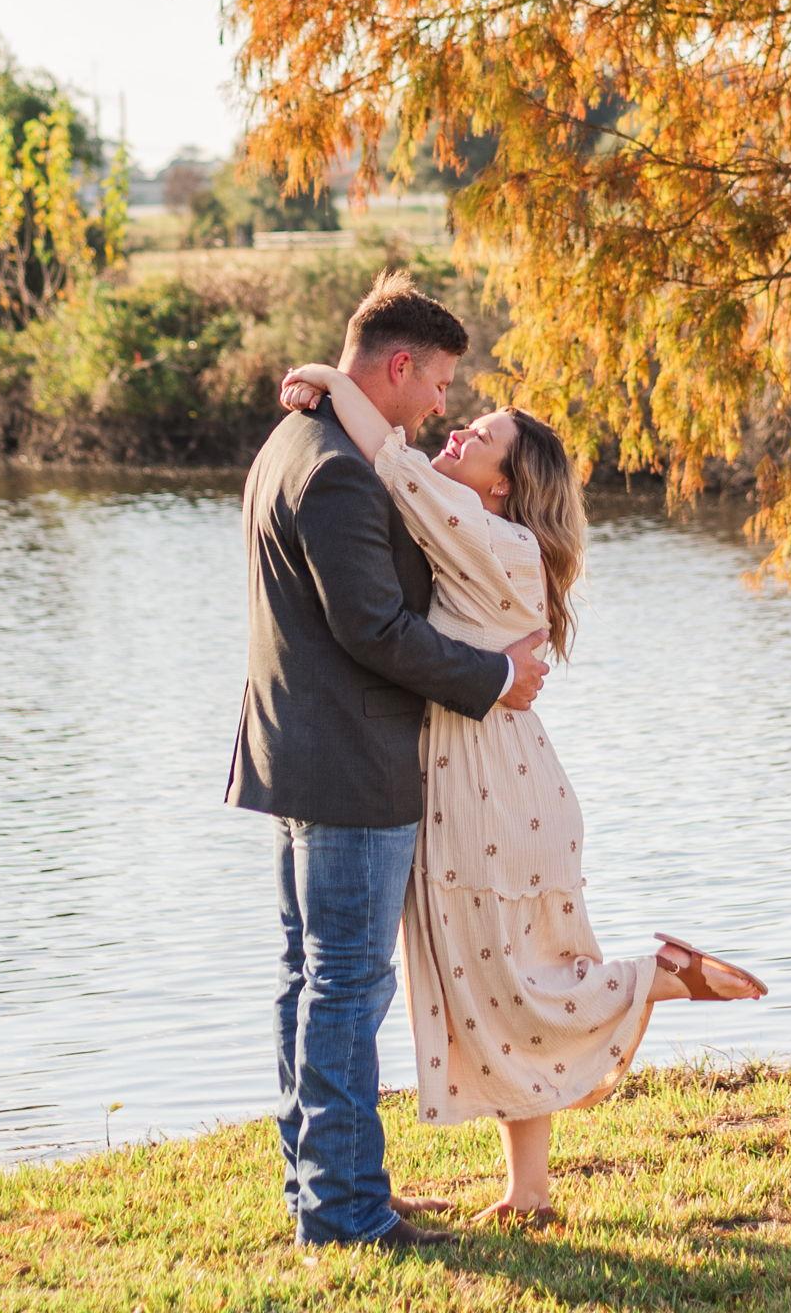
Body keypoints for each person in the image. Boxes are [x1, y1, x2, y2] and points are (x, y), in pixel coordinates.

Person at [278, 358, 767, 1226]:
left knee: (500, 983)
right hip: (512, 778)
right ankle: (530, 1195)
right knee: (506, 978)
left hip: (479, 786)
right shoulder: (503, 538)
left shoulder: (483, 532)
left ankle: (651, 977)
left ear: (502, 486)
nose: (457, 431)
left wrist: (327, 376)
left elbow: (391, 461)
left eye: (481, 437)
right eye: (467, 421)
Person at [226, 270, 551, 1254]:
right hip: (350, 764)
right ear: (398, 365)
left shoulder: (306, 438)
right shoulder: (334, 469)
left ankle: (325, 1187)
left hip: (302, 754)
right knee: (345, 986)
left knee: (311, 978)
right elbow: (373, 628)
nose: (444, 401)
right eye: (441, 380)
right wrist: (494, 676)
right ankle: (345, 1212)